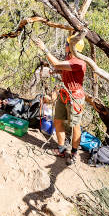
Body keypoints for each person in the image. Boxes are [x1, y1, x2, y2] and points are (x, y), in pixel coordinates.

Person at [29, 34, 86, 165]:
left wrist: (45, 49)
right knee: (58, 120)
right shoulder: (70, 58)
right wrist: (54, 72)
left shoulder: (78, 62)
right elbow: (63, 69)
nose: (65, 46)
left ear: (72, 47)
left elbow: (57, 63)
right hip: (64, 94)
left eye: (67, 44)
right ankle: (60, 149)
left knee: (75, 126)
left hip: (75, 98)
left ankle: (74, 153)